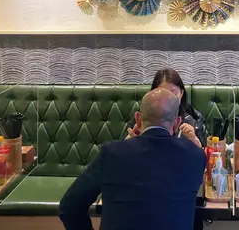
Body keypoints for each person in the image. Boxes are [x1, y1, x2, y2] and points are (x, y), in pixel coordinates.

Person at [59, 88, 206, 230]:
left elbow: (69, 206)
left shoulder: (112, 154)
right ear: (177, 123)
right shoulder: (196, 157)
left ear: (138, 119)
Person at [126, 68, 206, 148]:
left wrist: (194, 140)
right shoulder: (143, 115)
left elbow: (204, 153)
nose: (168, 98)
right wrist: (133, 138)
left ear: (181, 93)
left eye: (173, 93)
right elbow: (123, 148)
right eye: (162, 93)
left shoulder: (193, 118)